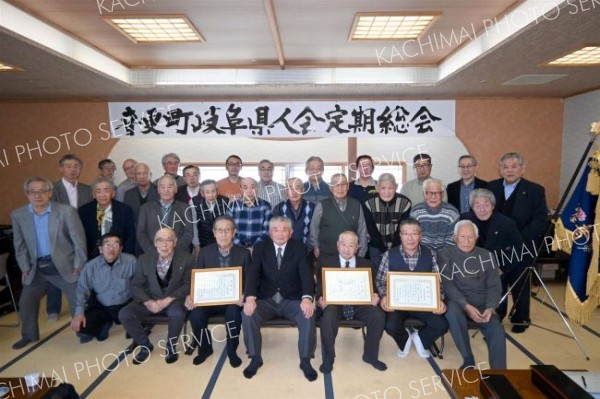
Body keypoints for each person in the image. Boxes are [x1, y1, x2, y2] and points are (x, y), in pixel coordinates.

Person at [11, 177, 87, 349]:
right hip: (36, 268)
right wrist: (24, 267)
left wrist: (79, 264)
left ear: (50, 193)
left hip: (64, 265)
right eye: (33, 192)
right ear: (27, 194)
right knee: (26, 302)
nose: (38, 195)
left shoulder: (66, 211)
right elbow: (19, 244)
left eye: (42, 191)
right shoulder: (18, 215)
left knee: (78, 299)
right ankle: (29, 335)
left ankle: (82, 330)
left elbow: (79, 241)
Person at [242, 217, 317, 381]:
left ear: (290, 233)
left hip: (291, 300)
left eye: (284, 230)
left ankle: (305, 360)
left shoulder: (299, 247)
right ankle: (255, 358)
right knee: (247, 314)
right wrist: (250, 298)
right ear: (270, 233)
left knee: (308, 313)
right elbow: (253, 274)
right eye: (276, 229)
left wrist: (306, 298)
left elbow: (306, 275)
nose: (280, 233)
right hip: (266, 300)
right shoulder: (261, 247)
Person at [488, 152, 548, 333]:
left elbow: (540, 220)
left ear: (522, 168)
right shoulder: (492, 187)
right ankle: (496, 315)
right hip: (497, 247)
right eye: (505, 167)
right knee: (498, 282)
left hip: (522, 245)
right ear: (500, 169)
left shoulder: (535, 190)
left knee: (520, 282)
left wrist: (517, 241)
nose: (509, 170)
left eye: (513, 167)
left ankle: (521, 318)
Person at [119, 228, 194, 364]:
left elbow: (189, 284)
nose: (164, 244)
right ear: (155, 243)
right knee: (124, 314)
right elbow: (135, 285)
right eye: (160, 240)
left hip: (174, 300)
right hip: (150, 299)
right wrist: (148, 302)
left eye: (168, 240)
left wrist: (169, 299)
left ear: (175, 242)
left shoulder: (187, 258)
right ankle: (145, 345)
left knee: (177, 313)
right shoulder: (144, 259)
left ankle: (171, 347)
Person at [438, 220, 506, 369]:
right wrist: (466, 306)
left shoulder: (486, 256)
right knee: (452, 312)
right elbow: (448, 285)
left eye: (471, 237)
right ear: (455, 238)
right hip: (458, 302)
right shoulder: (445, 254)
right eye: (462, 237)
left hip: (482, 304)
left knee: (497, 330)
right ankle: (468, 358)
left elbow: (495, 286)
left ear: (476, 237)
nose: (467, 241)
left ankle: (500, 374)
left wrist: (490, 308)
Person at [375, 219, 448, 359]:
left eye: (414, 234)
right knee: (390, 325)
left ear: (420, 236)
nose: (410, 238)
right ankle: (405, 340)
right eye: (405, 234)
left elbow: (438, 282)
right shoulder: (389, 255)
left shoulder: (430, 254)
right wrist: (384, 296)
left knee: (441, 325)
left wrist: (439, 299)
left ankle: (419, 338)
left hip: (424, 303)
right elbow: (380, 280)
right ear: (400, 236)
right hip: (398, 304)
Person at [185, 216, 251, 367]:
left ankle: (232, 350)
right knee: (195, 315)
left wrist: (244, 294)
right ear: (214, 233)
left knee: (234, 314)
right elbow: (197, 277)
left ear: (234, 232)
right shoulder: (204, 252)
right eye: (219, 230)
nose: (223, 234)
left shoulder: (244, 253)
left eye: (227, 230)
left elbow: (250, 280)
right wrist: (191, 296)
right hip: (209, 299)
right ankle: (205, 348)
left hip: (232, 301)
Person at [317, 231, 386, 373]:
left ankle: (370, 356)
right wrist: (320, 299)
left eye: (351, 245)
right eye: (343, 244)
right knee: (328, 316)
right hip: (335, 304)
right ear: (337, 245)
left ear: (357, 247)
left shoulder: (366, 263)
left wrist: (375, 296)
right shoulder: (326, 262)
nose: (346, 249)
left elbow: (373, 288)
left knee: (377, 315)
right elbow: (319, 289)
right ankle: (329, 357)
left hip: (359, 304)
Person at [71, 233, 136, 343]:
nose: (111, 249)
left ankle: (124, 322)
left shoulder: (131, 261)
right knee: (82, 326)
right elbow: (82, 290)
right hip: (103, 306)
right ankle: (106, 323)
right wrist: (79, 313)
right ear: (100, 249)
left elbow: (140, 285)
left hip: (126, 305)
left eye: (115, 245)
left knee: (140, 324)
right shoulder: (91, 266)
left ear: (120, 249)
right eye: (107, 245)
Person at [49, 153, 92, 319]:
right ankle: (53, 309)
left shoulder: (86, 189)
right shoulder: (52, 189)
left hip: (82, 234)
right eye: (68, 166)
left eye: (76, 166)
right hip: (60, 236)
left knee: (81, 268)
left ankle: (83, 304)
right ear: (61, 169)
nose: (72, 170)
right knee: (58, 271)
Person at [310, 173, 368, 259]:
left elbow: (362, 230)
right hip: (326, 254)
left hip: (350, 255)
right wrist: (316, 247)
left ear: (347, 186)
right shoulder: (322, 205)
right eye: (336, 184)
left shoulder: (356, 204)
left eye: (343, 184)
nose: (340, 188)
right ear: (330, 187)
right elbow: (314, 228)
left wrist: (361, 253)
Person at [78, 178, 136, 258]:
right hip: (93, 258)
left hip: (120, 256)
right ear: (93, 195)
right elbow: (81, 237)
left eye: (106, 191)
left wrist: (124, 256)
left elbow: (130, 236)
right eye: (98, 191)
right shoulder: (84, 211)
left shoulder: (125, 210)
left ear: (113, 193)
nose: (103, 195)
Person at [363, 173, 411, 268]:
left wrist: (393, 249)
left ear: (396, 187)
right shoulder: (368, 202)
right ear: (377, 188)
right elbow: (371, 228)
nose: (387, 192)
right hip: (376, 246)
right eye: (383, 188)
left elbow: (402, 228)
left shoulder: (405, 202)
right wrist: (383, 248)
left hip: (398, 245)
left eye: (390, 188)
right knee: (377, 277)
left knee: (395, 274)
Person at [137, 175, 193, 255]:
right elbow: (141, 233)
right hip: (152, 255)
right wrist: (153, 251)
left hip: (179, 255)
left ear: (176, 189)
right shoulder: (146, 208)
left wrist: (173, 250)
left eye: (170, 187)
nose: (166, 190)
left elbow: (189, 233)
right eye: (163, 187)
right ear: (158, 190)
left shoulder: (185, 207)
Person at [409, 178, 459, 251]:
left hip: (445, 253)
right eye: (429, 193)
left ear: (442, 194)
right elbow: (413, 237)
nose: (433, 197)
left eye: (437, 193)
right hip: (421, 252)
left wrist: (442, 255)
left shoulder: (452, 213)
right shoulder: (416, 212)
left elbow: (452, 240)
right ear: (424, 194)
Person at [226, 177, 271, 252]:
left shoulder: (265, 206)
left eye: (253, 187)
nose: (250, 191)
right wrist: (242, 248)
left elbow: (267, 230)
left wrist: (254, 247)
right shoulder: (232, 206)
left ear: (257, 189)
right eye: (245, 188)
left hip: (260, 249)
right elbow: (228, 229)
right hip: (237, 249)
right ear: (241, 190)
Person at [272, 177, 315, 248]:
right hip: (285, 249)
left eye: (297, 188)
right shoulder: (279, 208)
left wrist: (307, 247)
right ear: (286, 191)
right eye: (290, 188)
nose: (294, 192)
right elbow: (275, 230)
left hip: (307, 249)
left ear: (303, 190)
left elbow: (315, 230)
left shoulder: (312, 207)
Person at [193, 179, 230, 248]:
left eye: (213, 191)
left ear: (217, 191)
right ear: (202, 193)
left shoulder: (226, 201)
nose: (211, 195)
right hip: (202, 242)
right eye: (207, 192)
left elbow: (229, 225)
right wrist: (196, 244)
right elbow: (194, 225)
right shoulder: (194, 202)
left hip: (222, 241)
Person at [175, 165, 202, 257]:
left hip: (203, 236)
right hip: (184, 236)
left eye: (195, 174)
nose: (192, 178)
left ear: (199, 176)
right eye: (188, 175)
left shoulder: (207, 191)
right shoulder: (177, 193)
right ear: (184, 178)